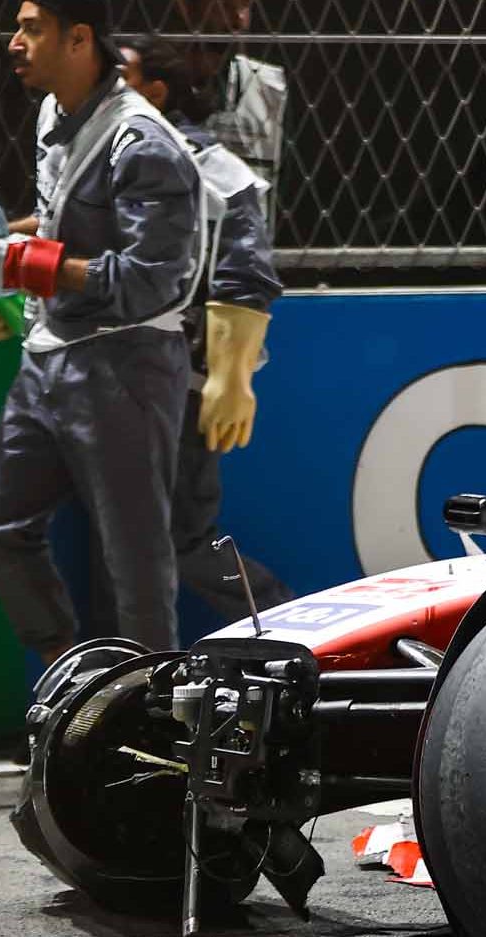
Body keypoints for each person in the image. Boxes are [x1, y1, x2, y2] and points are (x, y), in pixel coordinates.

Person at [0, 0, 206, 663]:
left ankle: (153, 725)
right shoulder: (53, 116)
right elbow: (59, 221)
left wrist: (33, 266)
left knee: (135, 561)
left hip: (126, 363)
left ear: (78, 39)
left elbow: (152, 281)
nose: (14, 42)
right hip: (51, 357)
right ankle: (80, 681)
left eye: (30, 29)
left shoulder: (142, 143)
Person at [116, 32, 293, 623]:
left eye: (123, 76)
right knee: (132, 534)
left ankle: (284, 633)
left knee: (183, 535)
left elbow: (247, 269)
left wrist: (228, 372)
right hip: (125, 372)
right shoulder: (109, 153)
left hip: (183, 375)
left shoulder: (202, 163)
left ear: (156, 92)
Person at [176, 0, 285, 234]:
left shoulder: (270, 88)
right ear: (185, 6)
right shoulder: (142, 81)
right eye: (226, 5)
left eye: (246, 6)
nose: (240, 21)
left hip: (245, 260)